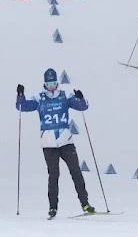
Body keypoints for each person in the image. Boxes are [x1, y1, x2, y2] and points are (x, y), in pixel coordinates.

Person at [16, 68, 97, 218]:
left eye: (54, 82)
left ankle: (85, 203)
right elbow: (22, 107)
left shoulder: (65, 96)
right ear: (45, 83)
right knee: (54, 175)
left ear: (57, 82)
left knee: (76, 172)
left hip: (66, 141)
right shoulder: (39, 98)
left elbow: (83, 106)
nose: (52, 85)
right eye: (49, 83)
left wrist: (80, 97)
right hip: (48, 144)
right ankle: (53, 207)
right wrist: (20, 96)